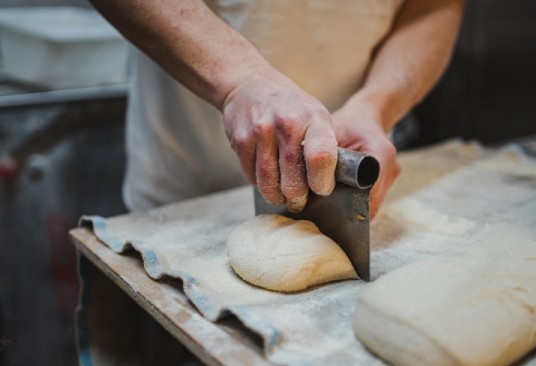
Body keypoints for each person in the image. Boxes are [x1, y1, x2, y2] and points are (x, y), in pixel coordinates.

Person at [89, 0, 465, 217]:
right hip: (188, 184)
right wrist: (239, 80)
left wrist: (376, 104)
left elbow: (433, 5)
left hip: (356, 173)